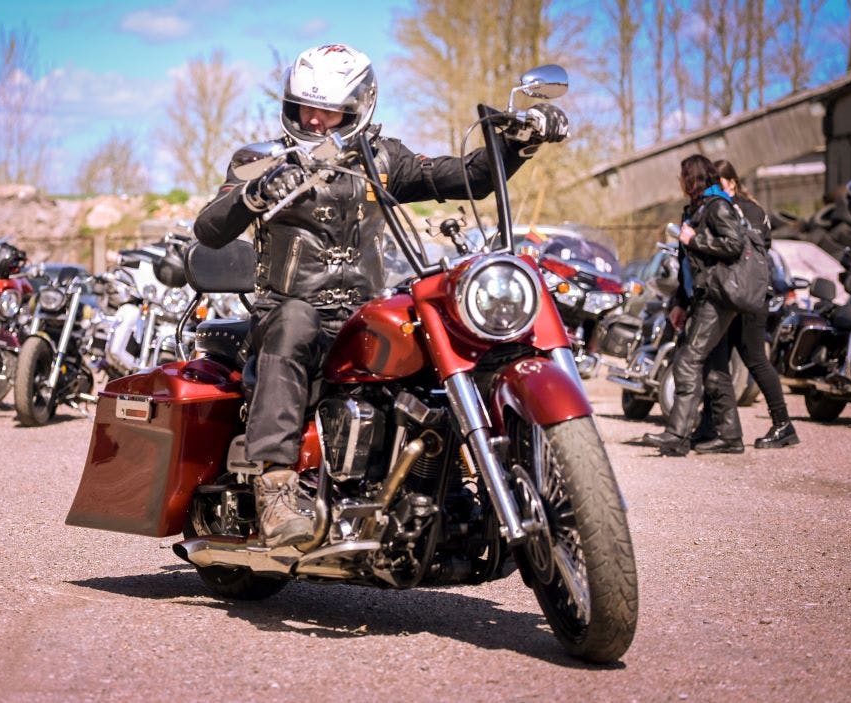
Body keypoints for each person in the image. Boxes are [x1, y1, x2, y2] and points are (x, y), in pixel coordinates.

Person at [194, 43, 569, 546]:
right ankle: (275, 489)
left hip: (361, 314)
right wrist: (252, 193)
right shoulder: (260, 160)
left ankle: (452, 481)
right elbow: (210, 228)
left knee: (439, 330)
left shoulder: (385, 159)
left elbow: (466, 177)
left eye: (328, 110)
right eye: (304, 107)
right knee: (293, 325)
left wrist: (518, 142)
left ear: (358, 108)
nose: (313, 119)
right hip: (286, 308)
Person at [643, 154, 745, 456]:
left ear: (692, 178)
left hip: (716, 298)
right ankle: (729, 437)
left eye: (682, 175)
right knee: (713, 368)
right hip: (700, 298)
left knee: (687, 361)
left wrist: (696, 239)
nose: (679, 182)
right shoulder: (695, 210)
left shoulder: (717, 206)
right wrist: (680, 302)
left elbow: (734, 245)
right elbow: (687, 265)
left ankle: (676, 436)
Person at [714, 159, 799, 449]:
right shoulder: (757, 211)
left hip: (743, 295)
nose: (714, 189)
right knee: (740, 356)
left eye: (718, 183)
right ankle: (726, 427)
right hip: (754, 293)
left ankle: (782, 424)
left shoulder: (730, 210)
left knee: (753, 358)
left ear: (731, 183)